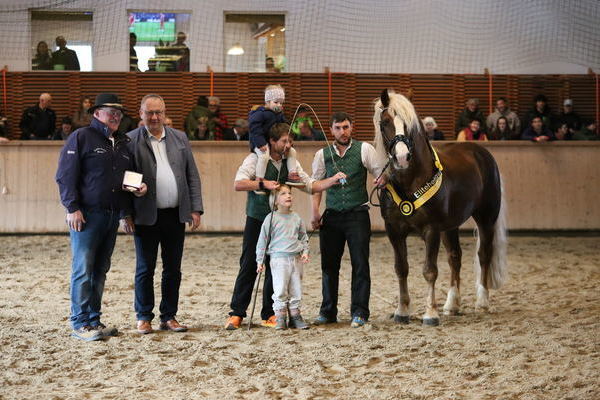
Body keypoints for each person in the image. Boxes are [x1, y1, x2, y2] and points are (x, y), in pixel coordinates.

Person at [224, 122, 346, 330]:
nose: (288, 145)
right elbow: (239, 183)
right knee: (249, 264)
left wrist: (332, 180)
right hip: (257, 218)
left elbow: (311, 185)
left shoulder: (291, 163)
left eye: (290, 141)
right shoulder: (255, 159)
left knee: (276, 266)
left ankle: (269, 313)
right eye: (283, 141)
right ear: (272, 142)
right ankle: (237, 313)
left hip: (281, 222)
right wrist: (263, 184)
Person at [55, 93, 147, 341]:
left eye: (118, 112)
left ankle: (93, 319)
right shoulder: (81, 137)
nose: (115, 116)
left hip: (111, 215)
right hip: (86, 215)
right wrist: (72, 207)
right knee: (83, 269)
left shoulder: (124, 141)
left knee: (100, 270)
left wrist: (128, 208)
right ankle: (79, 322)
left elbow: (129, 178)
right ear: (97, 113)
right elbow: (65, 175)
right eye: (110, 111)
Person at [124, 94, 203, 335]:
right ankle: (143, 316)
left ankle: (169, 316)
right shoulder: (129, 140)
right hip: (145, 215)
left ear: (165, 113)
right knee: (145, 268)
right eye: (150, 113)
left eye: (159, 112)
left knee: (173, 269)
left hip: (175, 215)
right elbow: (124, 179)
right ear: (141, 114)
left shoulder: (180, 138)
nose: (155, 117)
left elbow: (192, 175)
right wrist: (125, 214)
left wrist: (196, 208)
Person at [311, 112, 385, 328]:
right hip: (331, 216)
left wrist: (381, 180)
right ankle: (328, 311)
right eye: (337, 128)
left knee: (360, 264)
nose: (342, 132)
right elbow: (316, 186)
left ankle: (360, 312)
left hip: (357, 214)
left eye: (345, 127)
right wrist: (315, 212)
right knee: (329, 266)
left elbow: (379, 173)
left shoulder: (364, 149)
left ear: (352, 127)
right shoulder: (321, 154)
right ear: (331, 130)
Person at [256, 185, 310, 330]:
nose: (288, 196)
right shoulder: (271, 218)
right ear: (275, 200)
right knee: (280, 289)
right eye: (283, 194)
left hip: (296, 259)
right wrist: (260, 260)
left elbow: (303, 237)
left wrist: (305, 252)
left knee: (296, 288)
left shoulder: (296, 217)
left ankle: (295, 317)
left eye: (290, 193)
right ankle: (280, 317)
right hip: (278, 260)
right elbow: (263, 240)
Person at [249, 85, 300, 192]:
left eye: (281, 103)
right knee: (264, 156)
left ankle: (292, 174)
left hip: (273, 143)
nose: (279, 105)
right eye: (276, 102)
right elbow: (254, 129)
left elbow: (284, 124)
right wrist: (260, 143)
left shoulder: (278, 114)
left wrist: (291, 131)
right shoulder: (259, 113)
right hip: (261, 144)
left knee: (292, 151)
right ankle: (259, 180)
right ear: (267, 102)